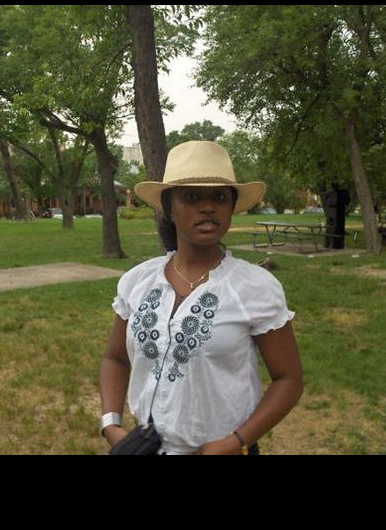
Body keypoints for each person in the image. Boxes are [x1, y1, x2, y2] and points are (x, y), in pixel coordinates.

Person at [98, 141, 303, 455]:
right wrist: (111, 425)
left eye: (219, 197)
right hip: (145, 448)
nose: (207, 207)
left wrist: (235, 442)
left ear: (231, 206)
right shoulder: (138, 282)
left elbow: (288, 379)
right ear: (169, 208)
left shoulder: (256, 288)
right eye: (192, 197)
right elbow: (115, 358)